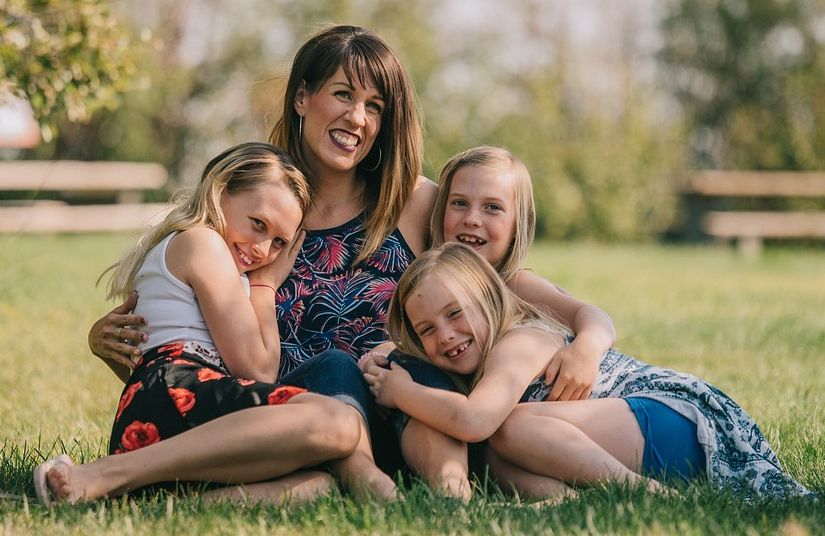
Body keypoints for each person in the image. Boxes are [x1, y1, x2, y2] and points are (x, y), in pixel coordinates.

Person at [86, 26, 436, 478]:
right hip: (279, 431)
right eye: (343, 94)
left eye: (375, 106)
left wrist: (548, 324)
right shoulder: (258, 206)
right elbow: (189, 356)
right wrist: (106, 343)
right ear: (302, 97)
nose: (357, 118)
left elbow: (489, 287)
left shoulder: (412, 202)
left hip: (394, 418)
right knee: (327, 397)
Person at [34, 142, 394, 506]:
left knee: (318, 485)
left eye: (278, 242)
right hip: (175, 393)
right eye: (258, 224)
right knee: (339, 422)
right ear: (220, 192)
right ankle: (107, 473)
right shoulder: (201, 242)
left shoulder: (206, 255)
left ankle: (165, 502)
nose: (262, 249)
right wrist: (265, 286)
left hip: (173, 413)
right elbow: (256, 370)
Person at [363, 243, 814, 501]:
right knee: (496, 459)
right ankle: (569, 502)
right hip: (635, 437)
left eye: (455, 313)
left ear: (488, 299)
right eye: (427, 330)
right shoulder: (477, 358)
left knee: (509, 428)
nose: (445, 335)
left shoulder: (520, 341)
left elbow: (475, 419)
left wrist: (401, 392)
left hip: (679, 422)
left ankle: (642, 493)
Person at [359, 146, 615, 498]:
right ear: (440, 212)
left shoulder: (515, 284)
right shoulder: (435, 285)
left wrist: (586, 349)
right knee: (493, 460)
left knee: (505, 435)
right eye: (459, 203)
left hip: (580, 413)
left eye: (492, 207)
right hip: (524, 433)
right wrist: (385, 351)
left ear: (517, 224)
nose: (472, 219)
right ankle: (567, 498)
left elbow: (593, 315)